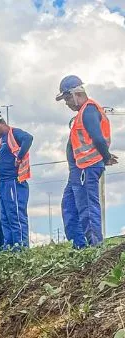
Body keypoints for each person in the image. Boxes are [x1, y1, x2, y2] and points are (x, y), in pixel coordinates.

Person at [55, 75, 117, 248]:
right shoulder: (80, 115)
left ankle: (95, 248)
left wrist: (105, 157)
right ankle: (79, 247)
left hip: (87, 168)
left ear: (76, 94)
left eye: (67, 98)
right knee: (69, 207)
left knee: (88, 209)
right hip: (78, 169)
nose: (67, 103)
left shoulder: (89, 110)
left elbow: (98, 137)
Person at [0, 108, 33, 250]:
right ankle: (9, 247)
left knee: (15, 215)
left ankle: (21, 247)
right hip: (4, 184)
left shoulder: (13, 133)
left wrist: (20, 157)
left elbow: (28, 138)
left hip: (14, 183)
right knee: (5, 217)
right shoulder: (4, 140)